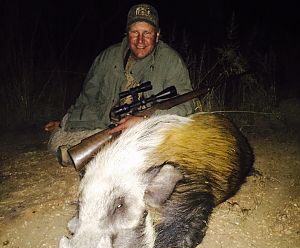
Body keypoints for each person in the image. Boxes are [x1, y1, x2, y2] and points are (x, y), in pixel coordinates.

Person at [45, 3, 195, 166]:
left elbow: (185, 106)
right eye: (134, 32)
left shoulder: (172, 61)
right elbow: (86, 98)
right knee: (57, 140)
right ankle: (104, 154)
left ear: (157, 35)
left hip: (147, 128)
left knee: (160, 147)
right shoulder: (107, 57)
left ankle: (104, 156)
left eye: (147, 33)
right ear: (126, 33)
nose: (140, 41)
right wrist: (64, 121)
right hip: (102, 127)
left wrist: (144, 119)